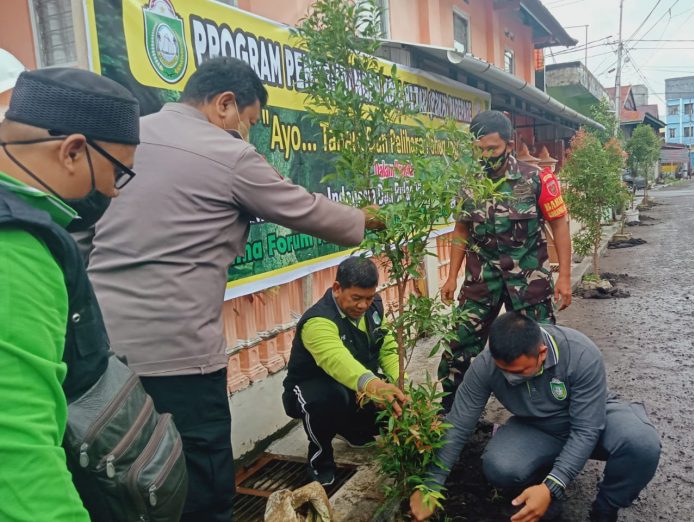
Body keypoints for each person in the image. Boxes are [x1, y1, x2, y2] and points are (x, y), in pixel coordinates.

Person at [84, 57, 380, 521]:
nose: (249, 133)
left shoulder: (126, 138)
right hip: (180, 360)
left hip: (103, 358)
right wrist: (365, 219)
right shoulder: (226, 153)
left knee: (122, 486)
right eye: (251, 121)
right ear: (225, 104)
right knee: (202, 490)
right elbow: (305, 209)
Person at [0, 68, 139, 521]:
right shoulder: (15, 245)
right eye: (117, 171)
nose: (113, 191)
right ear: (73, 151)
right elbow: (17, 451)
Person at [411, 313, 661, 522]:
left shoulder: (580, 353)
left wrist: (553, 485)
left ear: (542, 353)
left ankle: (604, 509)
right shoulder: (486, 365)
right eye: (503, 370)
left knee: (641, 444)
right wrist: (431, 484)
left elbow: (586, 429)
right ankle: (541, 485)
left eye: (519, 371)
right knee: (500, 467)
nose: (510, 378)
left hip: (593, 417)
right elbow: (459, 424)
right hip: (539, 427)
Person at [438, 110, 573, 411]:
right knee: (459, 344)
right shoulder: (468, 183)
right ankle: (451, 414)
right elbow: (461, 230)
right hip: (481, 280)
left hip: (529, 282)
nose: (486, 156)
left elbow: (559, 224)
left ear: (509, 145)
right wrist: (451, 276)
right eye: (479, 150)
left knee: (540, 346)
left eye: (493, 149)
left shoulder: (537, 178)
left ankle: (545, 411)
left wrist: (564, 276)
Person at [282, 256, 406, 485]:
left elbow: (386, 346)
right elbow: (337, 361)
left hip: (354, 384)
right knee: (328, 399)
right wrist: (374, 386)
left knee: (392, 405)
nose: (363, 305)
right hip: (313, 390)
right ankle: (320, 462)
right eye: (356, 298)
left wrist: (398, 383)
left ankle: (351, 429)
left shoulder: (374, 307)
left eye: (368, 298)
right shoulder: (318, 321)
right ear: (337, 288)